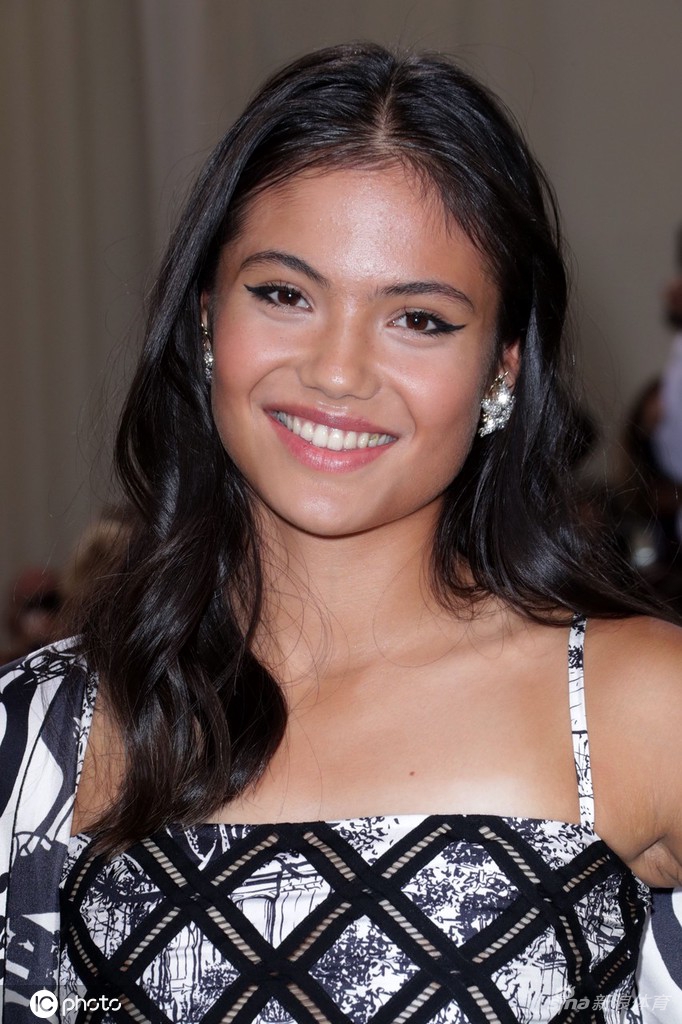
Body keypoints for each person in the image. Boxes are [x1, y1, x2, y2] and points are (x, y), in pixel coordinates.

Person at [1, 43, 681, 1024]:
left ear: (502, 368)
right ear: (206, 317)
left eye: (419, 318)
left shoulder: (638, 706)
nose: (336, 372)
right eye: (284, 294)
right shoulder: (38, 731)